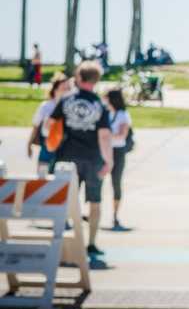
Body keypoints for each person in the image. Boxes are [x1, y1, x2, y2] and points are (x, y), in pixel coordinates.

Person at [49, 60, 113, 256]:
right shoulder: (100, 105)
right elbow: (104, 136)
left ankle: (66, 241)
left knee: (67, 200)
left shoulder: (65, 100)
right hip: (93, 158)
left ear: (78, 77)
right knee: (95, 202)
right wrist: (109, 161)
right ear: (96, 80)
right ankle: (91, 243)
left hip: (67, 158)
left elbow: (49, 125)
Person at [27, 73, 72, 175]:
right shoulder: (46, 106)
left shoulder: (70, 106)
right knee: (42, 173)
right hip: (47, 142)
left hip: (64, 145)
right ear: (55, 88)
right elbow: (36, 125)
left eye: (68, 88)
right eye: (63, 87)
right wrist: (29, 144)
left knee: (62, 175)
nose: (66, 90)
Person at [105, 88, 132, 231]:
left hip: (117, 152)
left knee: (116, 182)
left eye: (106, 98)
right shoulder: (105, 113)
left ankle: (115, 215)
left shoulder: (123, 115)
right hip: (104, 150)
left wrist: (105, 136)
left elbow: (122, 135)